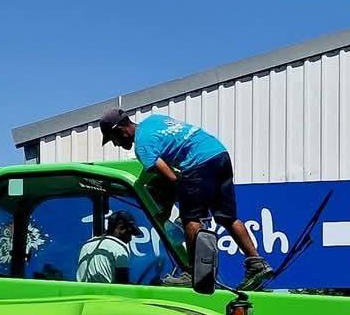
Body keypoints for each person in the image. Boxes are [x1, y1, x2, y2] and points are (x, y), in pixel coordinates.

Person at [99, 108, 274, 291]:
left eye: (112, 139)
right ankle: (257, 263)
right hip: (219, 153)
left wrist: (165, 209)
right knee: (227, 218)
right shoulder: (154, 120)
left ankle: (192, 273)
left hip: (198, 162)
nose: (116, 145)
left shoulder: (142, 148)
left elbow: (172, 179)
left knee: (190, 219)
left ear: (120, 130)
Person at [76, 210, 141, 284]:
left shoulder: (86, 245)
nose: (130, 239)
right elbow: (123, 284)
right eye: (130, 233)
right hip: (104, 291)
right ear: (121, 228)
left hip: (79, 291)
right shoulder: (119, 248)